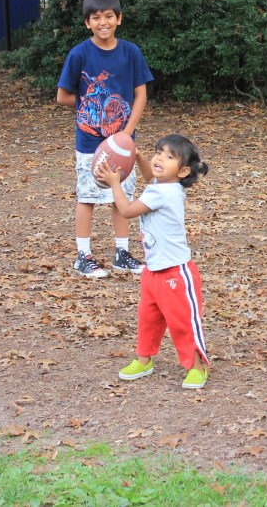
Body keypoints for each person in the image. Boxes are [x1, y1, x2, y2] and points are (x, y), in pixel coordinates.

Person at [95, 134, 211, 389]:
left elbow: (126, 211)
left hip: (176, 274)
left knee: (182, 322)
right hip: (154, 271)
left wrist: (115, 182)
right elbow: (150, 178)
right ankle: (144, 360)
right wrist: (137, 157)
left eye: (169, 157)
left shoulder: (164, 194)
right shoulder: (163, 185)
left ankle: (196, 367)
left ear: (183, 171)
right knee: (148, 319)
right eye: (158, 152)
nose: (159, 158)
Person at [57, 0, 154, 279]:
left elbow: (141, 95)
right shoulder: (79, 54)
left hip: (123, 144)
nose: (103, 22)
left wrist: (126, 132)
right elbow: (63, 96)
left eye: (108, 16)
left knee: (121, 196)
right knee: (87, 197)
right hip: (90, 143)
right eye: (96, 18)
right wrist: (90, 109)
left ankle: (122, 253)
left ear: (119, 19)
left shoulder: (131, 52)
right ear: (87, 23)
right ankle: (83, 256)